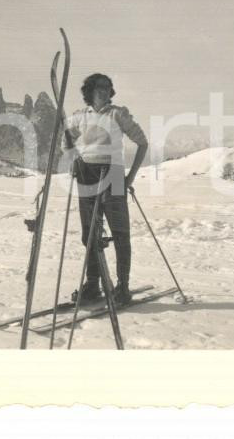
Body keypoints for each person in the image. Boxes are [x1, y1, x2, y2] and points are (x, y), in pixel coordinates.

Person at [63, 73, 149, 305]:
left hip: (113, 174)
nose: (104, 90)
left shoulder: (117, 114)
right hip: (86, 174)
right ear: (89, 91)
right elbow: (66, 139)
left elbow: (142, 142)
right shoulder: (79, 116)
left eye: (108, 87)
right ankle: (93, 285)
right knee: (89, 233)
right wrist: (73, 159)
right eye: (99, 87)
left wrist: (129, 177)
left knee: (120, 232)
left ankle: (122, 287)